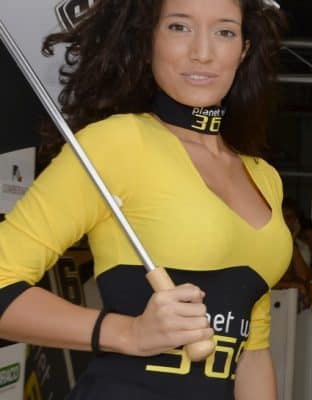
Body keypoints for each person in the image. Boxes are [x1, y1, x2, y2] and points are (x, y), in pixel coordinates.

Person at [0, 0, 289, 398]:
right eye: (179, 27)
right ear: (148, 40)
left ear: (243, 49)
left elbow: (252, 352)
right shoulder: (115, 143)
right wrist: (128, 332)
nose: (202, 52)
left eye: (224, 31)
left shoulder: (264, 177)